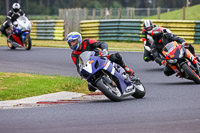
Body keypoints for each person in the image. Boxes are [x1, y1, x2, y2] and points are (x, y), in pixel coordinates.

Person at [66, 32, 136, 91]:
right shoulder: (74, 55)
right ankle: (107, 88)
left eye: (74, 42)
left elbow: (101, 43)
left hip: (101, 57)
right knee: (91, 87)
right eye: (71, 43)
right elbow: (78, 66)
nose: (73, 44)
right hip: (91, 67)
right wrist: (82, 74)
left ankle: (127, 70)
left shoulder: (87, 42)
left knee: (116, 57)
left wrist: (104, 50)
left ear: (79, 40)